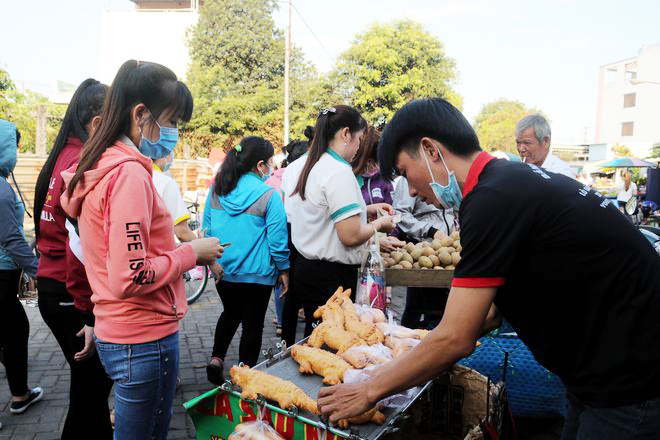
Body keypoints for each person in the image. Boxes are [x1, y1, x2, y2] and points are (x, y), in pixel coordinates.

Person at [317, 98, 660, 440]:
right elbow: (490, 313)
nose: (412, 191)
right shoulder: (504, 183)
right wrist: (406, 357)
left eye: (405, 173)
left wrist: (370, 390)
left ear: (430, 150)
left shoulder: (491, 199)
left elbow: (457, 337)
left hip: (631, 377)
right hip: (597, 373)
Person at [60, 60, 222, 440]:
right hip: (143, 337)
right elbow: (132, 274)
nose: (174, 132)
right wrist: (192, 253)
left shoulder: (102, 164)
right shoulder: (128, 174)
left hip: (120, 330)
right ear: (140, 114)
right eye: (172, 121)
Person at [33, 79, 114, 439]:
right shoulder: (82, 162)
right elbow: (78, 248)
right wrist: (89, 312)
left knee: (88, 392)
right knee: (91, 392)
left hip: (54, 289)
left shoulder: (64, 154)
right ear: (98, 120)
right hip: (70, 294)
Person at [281, 106, 395, 338]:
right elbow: (350, 236)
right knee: (332, 344)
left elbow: (322, 214)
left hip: (308, 270)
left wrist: (366, 210)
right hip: (331, 278)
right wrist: (379, 225)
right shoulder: (338, 171)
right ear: (345, 134)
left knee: (318, 338)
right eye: (359, 139)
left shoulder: (313, 165)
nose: (359, 148)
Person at [203, 136, 289, 383]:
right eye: (269, 162)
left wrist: (212, 263)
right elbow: (277, 240)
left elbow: (206, 229)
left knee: (230, 313)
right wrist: (284, 269)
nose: (270, 167)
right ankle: (245, 376)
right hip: (257, 275)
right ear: (260, 165)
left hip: (223, 269)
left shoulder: (217, 190)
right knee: (253, 325)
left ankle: (216, 358)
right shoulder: (269, 195)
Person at [0, 120, 43, 417]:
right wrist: (39, 269)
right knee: (15, 332)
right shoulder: (2, 190)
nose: (16, 152)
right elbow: (11, 240)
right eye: (14, 146)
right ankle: (19, 396)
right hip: (3, 275)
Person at [392, 177, 455, 329]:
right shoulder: (409, 177)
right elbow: (400, 214)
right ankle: (414, 334)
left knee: (432, 304)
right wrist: (431, 231)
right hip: (421, 248)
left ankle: (427, 331)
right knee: (421, 303)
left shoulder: (445, 175)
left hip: (446, 250)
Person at [265, 133, 310, 337]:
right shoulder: (305, 172)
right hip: (295, 233)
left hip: (279, 235)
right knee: (296, 280)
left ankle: (282, 323)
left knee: (282, 280)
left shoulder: (273, 178)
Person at [352, 125, 404, 253]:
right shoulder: (349, 180)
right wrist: (374, 241)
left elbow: (395, 215)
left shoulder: (384, 180)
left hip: (385, 248)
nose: (373, 166)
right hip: (359, 247)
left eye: (376, 161)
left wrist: (392, 235)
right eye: (369, 161)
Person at [152, 152, 196, 242]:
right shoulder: (166, 183)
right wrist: (202, 245)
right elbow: (181, 231)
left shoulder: (134, 174)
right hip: (158, 247)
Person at [515, 114, 575, 178]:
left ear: (546, 142)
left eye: (527, 143)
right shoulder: (520, 170)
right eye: (518, 142)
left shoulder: (562, 175)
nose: (521, 149)